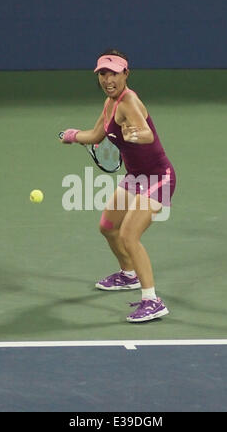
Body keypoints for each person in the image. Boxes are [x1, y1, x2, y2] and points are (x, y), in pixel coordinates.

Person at [60, 49, 176, 323]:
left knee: (129, 235)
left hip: (158, 178)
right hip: (135, 177)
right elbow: (98, 134)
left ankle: (153, 301)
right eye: (103, 73)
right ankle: (128, 275)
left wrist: (137, 134)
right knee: (108, 227)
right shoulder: (109, 103)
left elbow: (146, 134)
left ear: (126, 73)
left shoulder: (129, 101)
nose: (108, 79)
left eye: (113, 73)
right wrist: (74, 135)